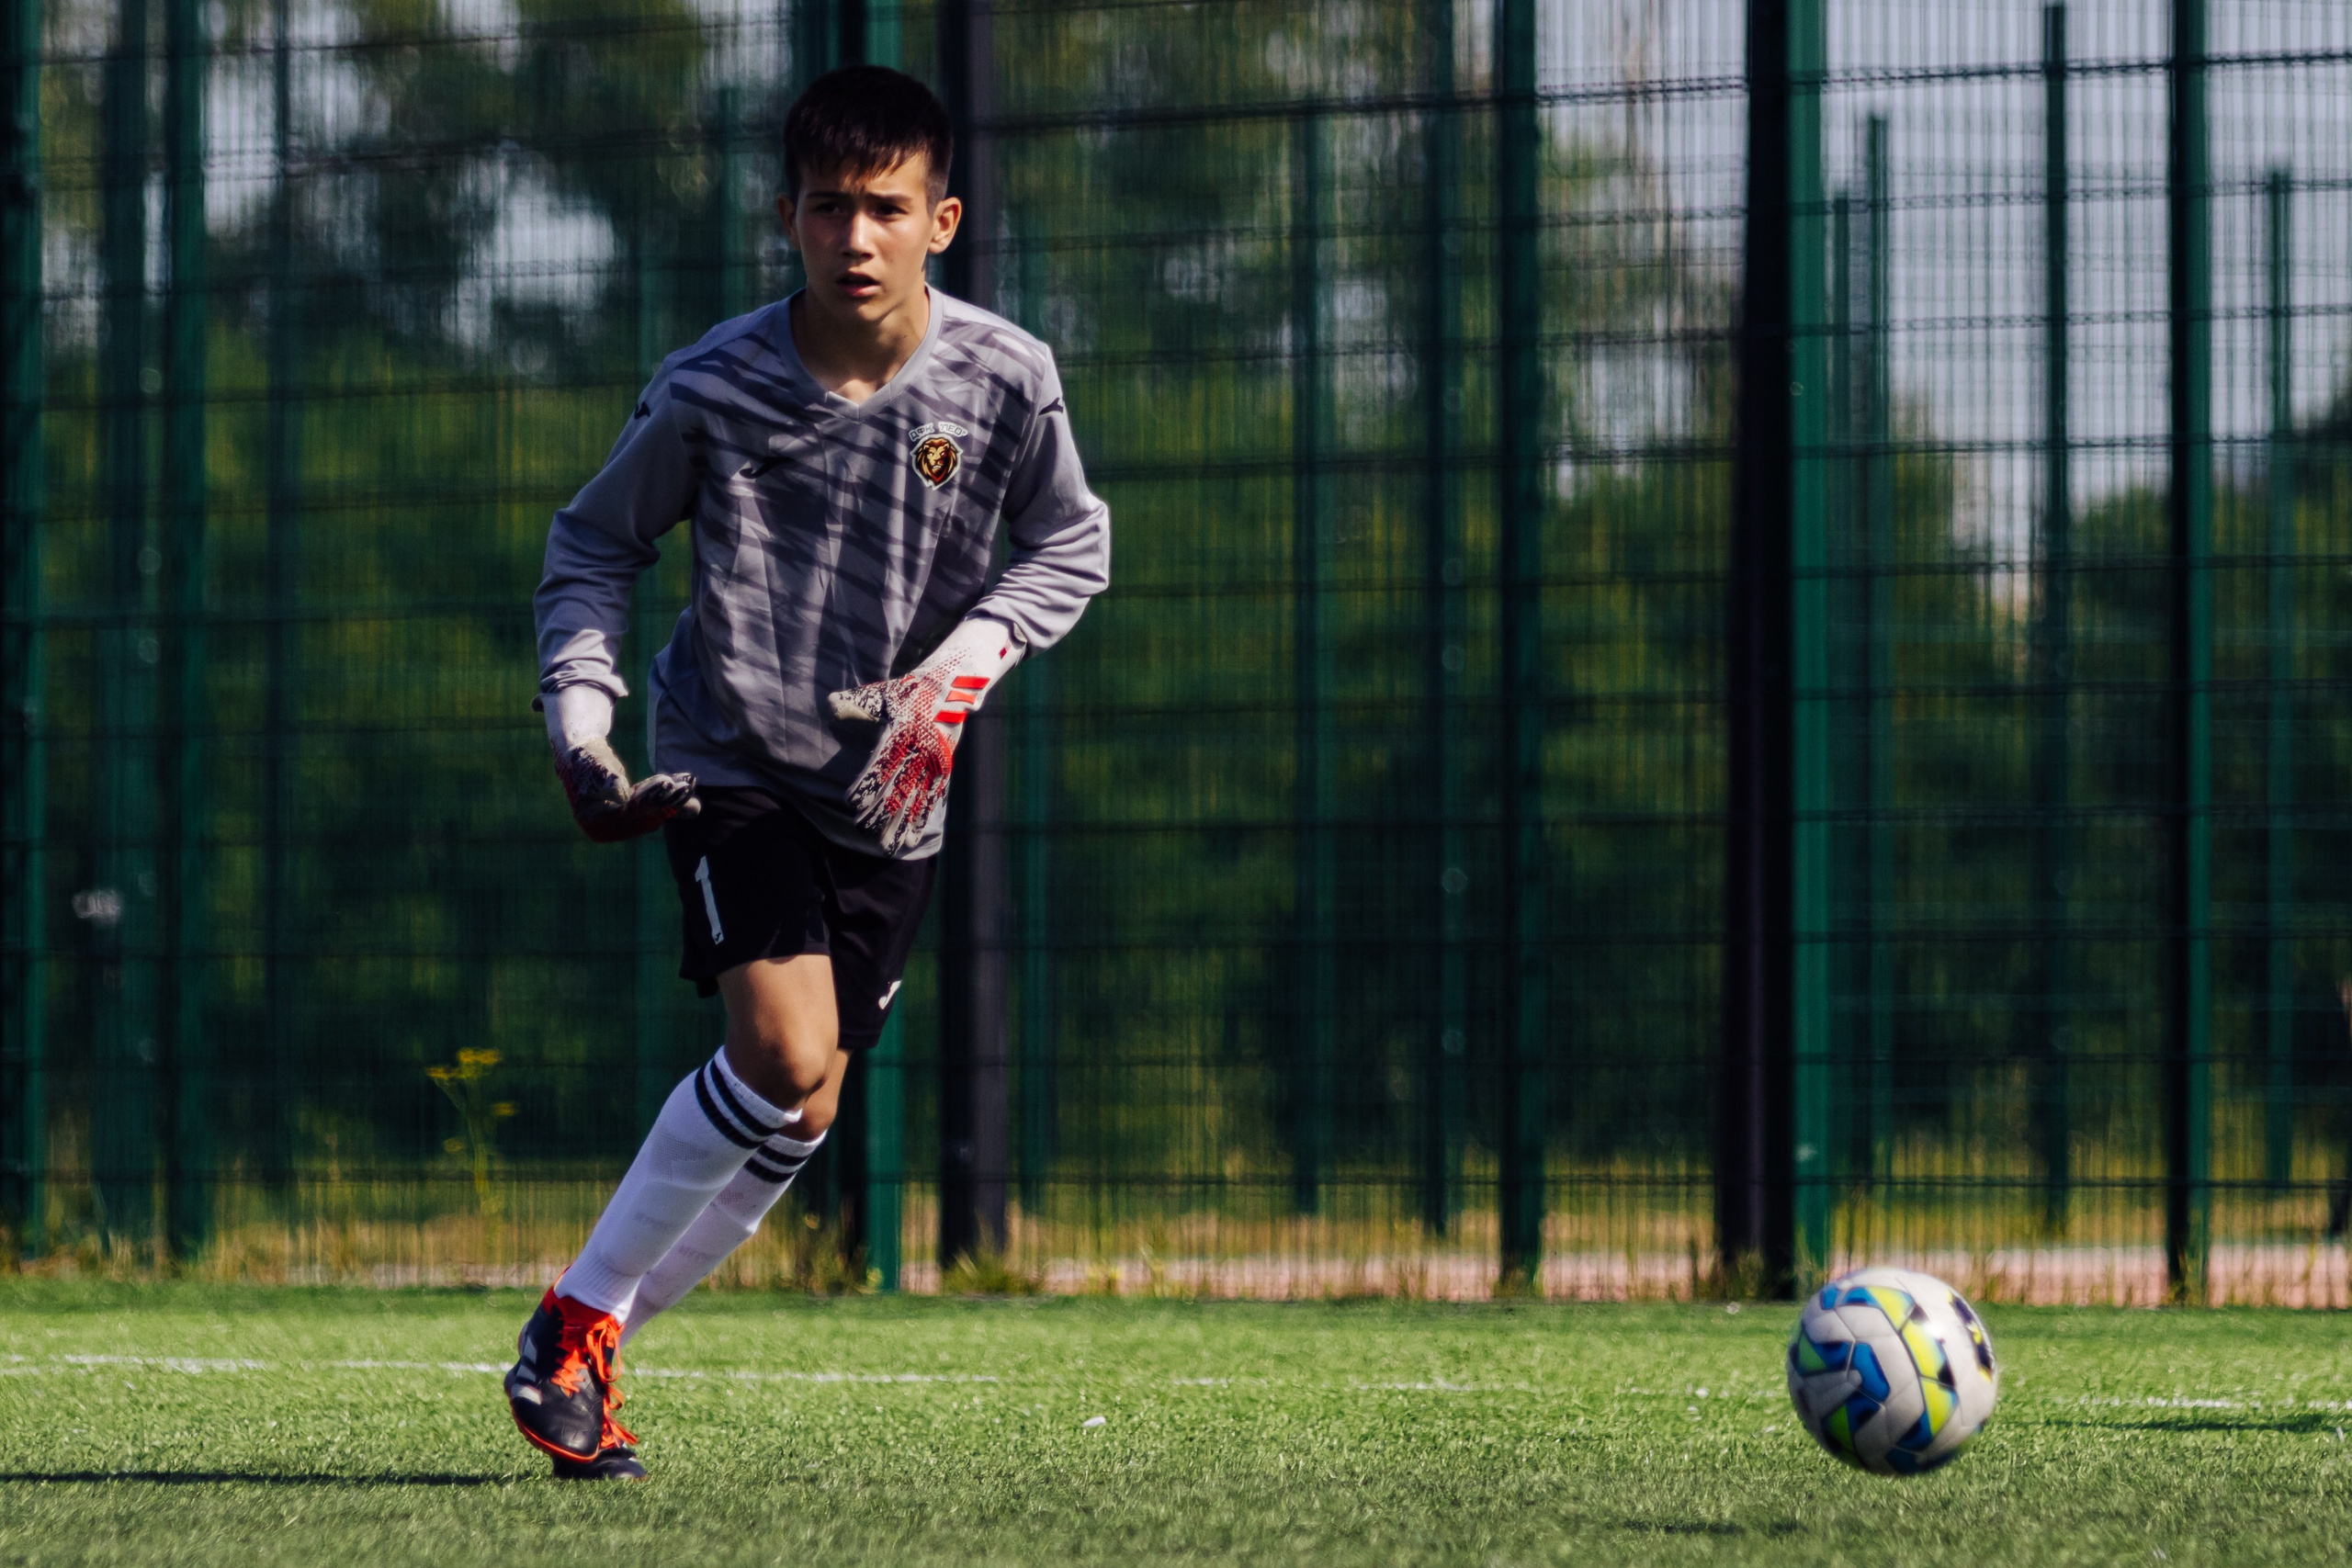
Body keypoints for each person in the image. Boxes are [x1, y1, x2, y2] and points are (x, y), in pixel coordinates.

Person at [508, 62, 1111, 1482]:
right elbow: (594, 547)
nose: (857, 236)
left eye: (887, 208)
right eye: (830, 206)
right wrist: (581, 732)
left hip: (893, 792)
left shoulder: (1009, 377)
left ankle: (579, 1344)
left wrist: (961, 671)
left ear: (942, 219)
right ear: (786, 215)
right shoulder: (713, 387)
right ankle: (573, 1326)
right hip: (730, 759)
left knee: (811, 1102)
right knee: (778, 1055)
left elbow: (1071, 545)